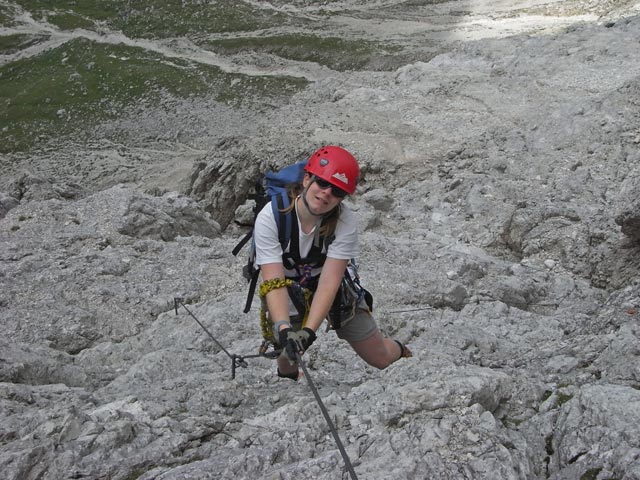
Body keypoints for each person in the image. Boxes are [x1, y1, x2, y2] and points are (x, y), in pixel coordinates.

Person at [254, 145, 412, 380]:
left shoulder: (344, 222)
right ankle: (288, 378)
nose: (327, 193)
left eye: (337, 191)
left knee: (380, 358)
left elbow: (330, 282)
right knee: (288, 358)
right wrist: (284, 329)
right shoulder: (271, 216)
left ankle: (400, 350)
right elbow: (274, 282)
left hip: (331, 287)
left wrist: (309, 331)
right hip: (287, 286)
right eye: (322, 183)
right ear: (307, 179)